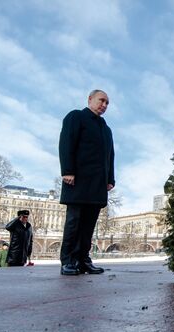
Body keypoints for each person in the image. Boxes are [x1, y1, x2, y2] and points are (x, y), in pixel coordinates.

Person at [58, 89, 115, 275]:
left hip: (97, 184)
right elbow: (66, 142)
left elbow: (110, 156)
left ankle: (83, 259)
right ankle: (68, 260)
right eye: (101, 100)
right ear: (90, 99)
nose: (104, 105)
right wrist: (67, 171)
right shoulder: (76, 117)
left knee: (89, 224)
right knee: (74, 221)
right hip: (78, 179)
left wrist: (110, 179)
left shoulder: (106, 129)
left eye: (107, 103)